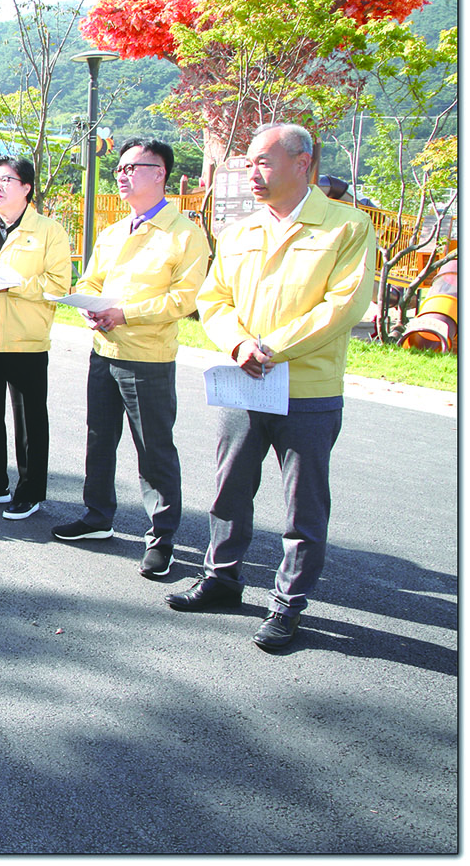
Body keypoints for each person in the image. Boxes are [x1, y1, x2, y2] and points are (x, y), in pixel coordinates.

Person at [166, 122, 376, 652]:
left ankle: (288, 603)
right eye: (248, 163)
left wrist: (272, 347)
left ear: (302, 163)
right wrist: (240, 344)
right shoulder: (239, 231)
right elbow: (214, 299)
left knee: (304, 504)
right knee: (229, 488)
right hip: (245, 381)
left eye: (263, 161)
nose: (251, 173)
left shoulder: (346, 227)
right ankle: (221, 578)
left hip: (306, 389)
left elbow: (344, 305)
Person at [51, 139, 210, 578]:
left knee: (153, 448)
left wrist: (125, 314)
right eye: (119, 169)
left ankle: (161, 538)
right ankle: (97, 517)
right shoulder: (113, 231)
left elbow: (184, 300)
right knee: (99, 438)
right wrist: (89, 307)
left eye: (132, 168)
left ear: (160, 173)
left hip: (148, 358)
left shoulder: (185, 234)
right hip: (104, 350)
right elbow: (90, 280)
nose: (122, 175)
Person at [0, 157, 71, 521]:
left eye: (6, 180)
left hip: (25, 338)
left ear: (27, 187)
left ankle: (30, 492)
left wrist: (12, 283)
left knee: (29, 418)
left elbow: (58, 284)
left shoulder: (49, 231)